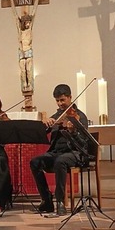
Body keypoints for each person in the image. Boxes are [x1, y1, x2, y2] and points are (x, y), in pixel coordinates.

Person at [29, 83, 90, 217]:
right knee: (35, 162)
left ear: (70, 98)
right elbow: (44, 133)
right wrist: (46, 124)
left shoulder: (80, 116)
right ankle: (46, 200)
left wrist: (73, 131)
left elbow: (84, 143)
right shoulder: (56, 116)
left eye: (62, 100)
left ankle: (61, 202)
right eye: (57, 100)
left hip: (75, 153)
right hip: (56, 153)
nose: (60, 103)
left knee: (60, 161)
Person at [9, 0, 41, 94]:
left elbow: (34, 12)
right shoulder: (20, 30)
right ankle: (25, 85)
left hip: (28, 51)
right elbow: (14, 14)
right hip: (22, 52)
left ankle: (30, 86)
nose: (27, 24)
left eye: (28, 22)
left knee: (29, 71)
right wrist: (11, 0)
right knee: (23, 72)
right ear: (23, 22)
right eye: (26, 22)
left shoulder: (29, 30)